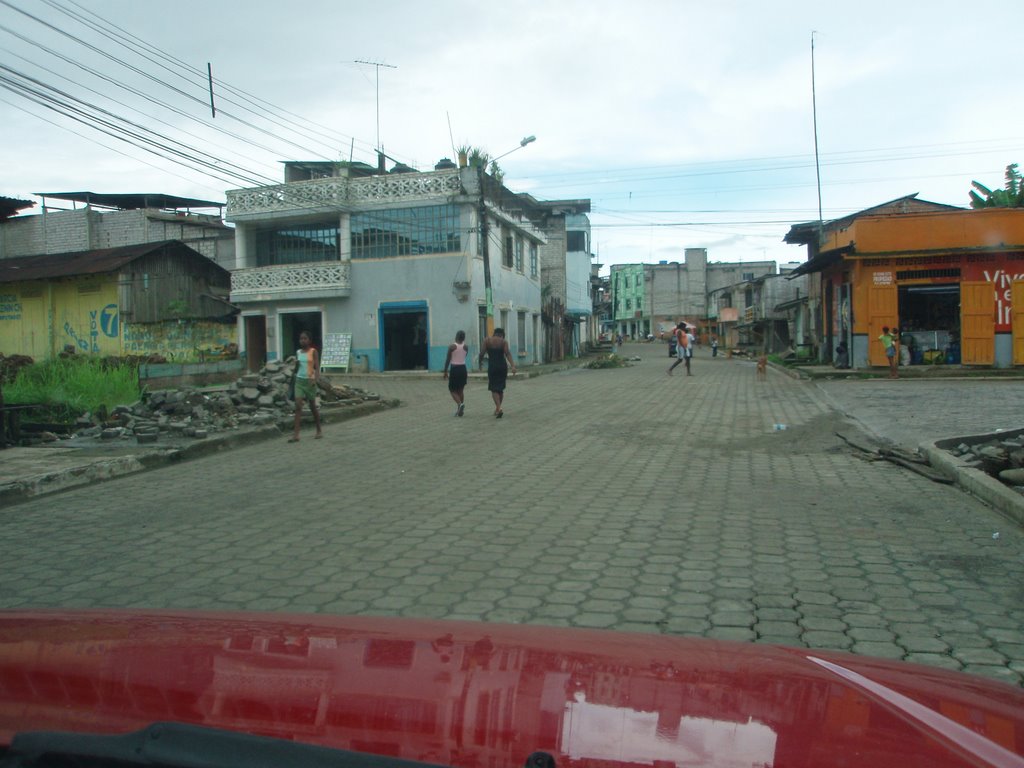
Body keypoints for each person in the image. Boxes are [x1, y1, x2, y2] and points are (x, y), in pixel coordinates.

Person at [289, 330, 322, 442]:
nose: (302, 340)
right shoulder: (298, 352)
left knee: (312, 406)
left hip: (310, 381)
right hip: (299, 381)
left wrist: (316, 379)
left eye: (305, 338)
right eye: (301, 339)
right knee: (298, 406)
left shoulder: (313, 351)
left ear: (309, 340)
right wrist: (295, 367)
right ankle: (296, 434)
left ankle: (318, 429)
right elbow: (297, 368)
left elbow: (317, 367)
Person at [479, 328, 517, 418]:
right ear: (501, 335)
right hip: (502, 367)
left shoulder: (487, 341)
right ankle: (497, 408)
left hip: (492, 367)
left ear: (494, 333)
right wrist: (513, 366)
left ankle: (499, 408)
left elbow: (482, 353)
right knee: (500, 388)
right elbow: (507, 353)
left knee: (494, 388)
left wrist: (480, 363)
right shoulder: (503, 342)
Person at [443, 330, 469, 417]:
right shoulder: (466, 347)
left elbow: (448, 359)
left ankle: (459, 404)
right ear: (463, 337)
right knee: (460, 389)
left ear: (456, 336)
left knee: (452, 389)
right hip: (463, 369)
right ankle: (460, 410)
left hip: (455, 369)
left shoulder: (452, 347)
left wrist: (445, 371)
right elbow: (464, 356)